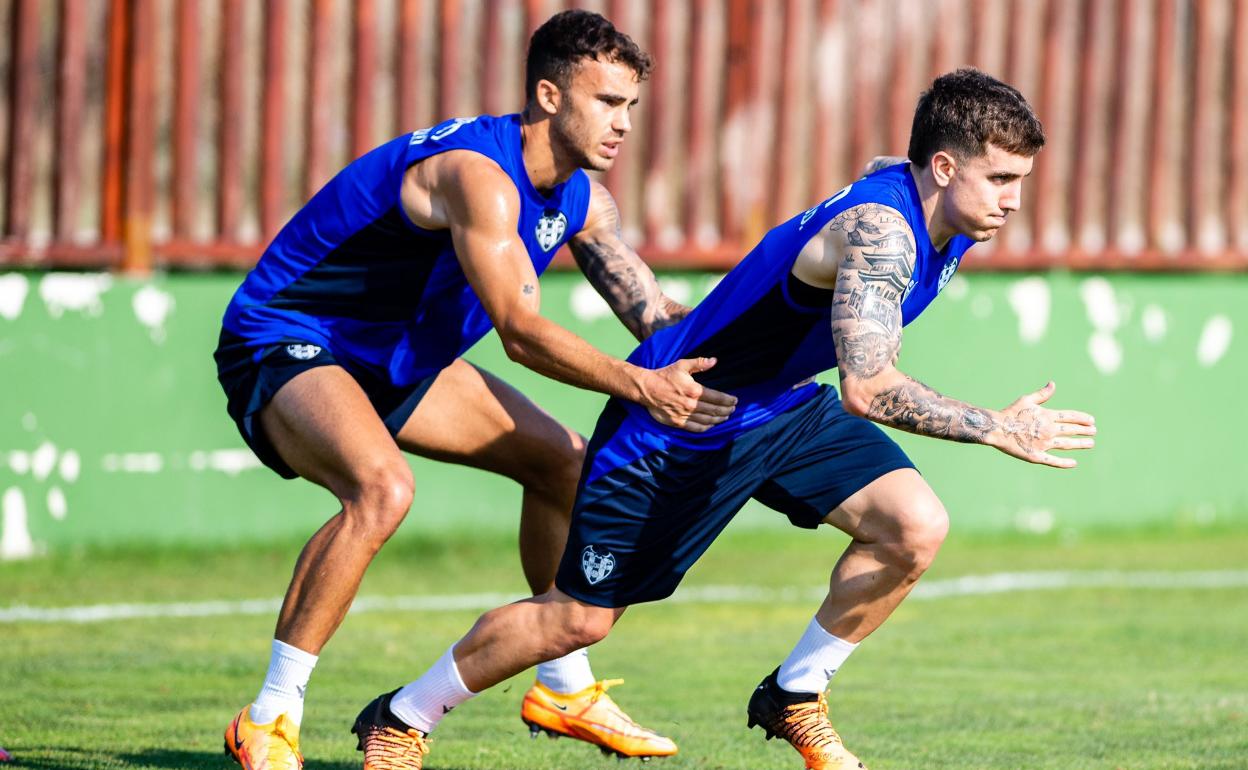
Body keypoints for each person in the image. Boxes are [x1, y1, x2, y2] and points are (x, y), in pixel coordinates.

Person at [359, 69, 1098, 770]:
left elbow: (883, 177)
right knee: (577, 621)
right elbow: (868, 388)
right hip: (681, 417)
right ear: (942, 167)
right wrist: (995, 426)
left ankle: (794, 695)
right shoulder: (884, 232)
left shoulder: (938, 211)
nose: (1012, 201)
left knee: (912, 526)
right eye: (1000, 179)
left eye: (1021, 182)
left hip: (779, 406)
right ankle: (402, 717)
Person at [215, 10, 738, 770]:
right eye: (606, 102)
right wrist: (642, 386)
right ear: (551, 96)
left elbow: (654, 318)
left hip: (397, 360)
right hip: (288, 337)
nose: (623, 123)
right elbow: (520, 334)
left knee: (564, 460)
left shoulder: (582, 201)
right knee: (382, 489)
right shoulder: (478, 178)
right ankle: (268, 717)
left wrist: (764, 336)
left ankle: (562, 685)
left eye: (630, 106)